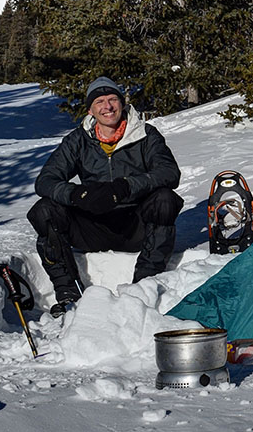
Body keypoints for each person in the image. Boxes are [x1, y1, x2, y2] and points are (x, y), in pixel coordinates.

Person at [27, 76, 184, 316]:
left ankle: (144, 285)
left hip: (135, 226)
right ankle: (68, 292)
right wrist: (78, 193)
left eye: (112, 99)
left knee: (165, 199)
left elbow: (169, 173)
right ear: (90, 109)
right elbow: (45, 181)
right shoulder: (77, 140)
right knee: (44, 211)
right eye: (99, 101)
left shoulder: (145, 134)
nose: (107, 107)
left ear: (122, 103)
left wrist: (126, 187)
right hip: (93, 227)